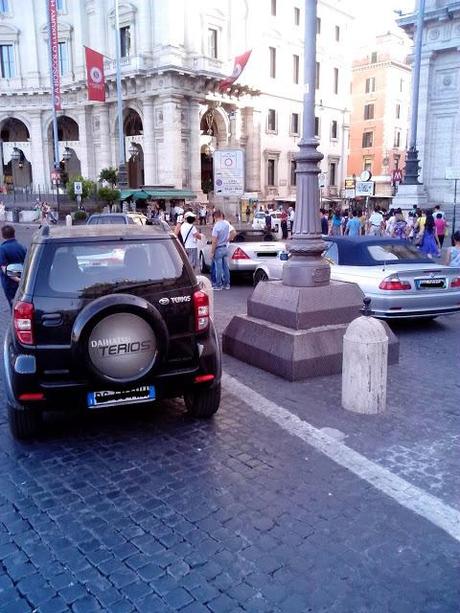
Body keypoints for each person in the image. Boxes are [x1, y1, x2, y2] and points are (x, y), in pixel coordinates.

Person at [0, 225, 27, 310]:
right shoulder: (22, 247)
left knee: (14, 306)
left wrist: (17, 279)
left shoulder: (2, 249)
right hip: (23, 278)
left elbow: (5, 269)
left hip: (10, 283)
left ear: (3, 235)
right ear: (14, 234)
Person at [211, 210, 234, 290]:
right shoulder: (226, 224)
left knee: (219, 268)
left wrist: (212, 252)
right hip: (225, 247)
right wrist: (228, 239)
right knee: (226, 267)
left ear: (215, 217)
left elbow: (214, 241)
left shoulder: (216, 226)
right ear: (221, 215)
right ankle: (227, 284)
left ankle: (218, 285)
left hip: (218, 248)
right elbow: (233, 233)